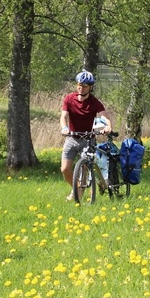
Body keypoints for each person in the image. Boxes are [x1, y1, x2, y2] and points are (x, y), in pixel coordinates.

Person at [60, 70, 112, 200]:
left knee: (83, 167)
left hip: (88, 139)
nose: (81, 88)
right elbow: (63, 116)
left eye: (84, 86)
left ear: (90, 87)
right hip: (71, 137)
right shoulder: (69, 99)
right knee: (65, 169)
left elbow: (105, 116)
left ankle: (78, 196)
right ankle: (76, 188)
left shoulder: (94, 102)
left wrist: (108, 126)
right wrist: (64, 127)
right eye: (79, 84)